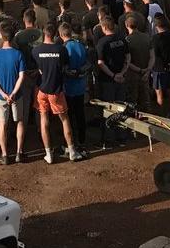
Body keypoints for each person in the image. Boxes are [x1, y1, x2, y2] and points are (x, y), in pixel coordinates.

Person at [32, 23, 85, 163]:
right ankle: (72, 151)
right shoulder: (61, 50)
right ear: (56, 34)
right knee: (65, 119)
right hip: (56, 90)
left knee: (44, 119)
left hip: (42, 90)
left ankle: (48, 153)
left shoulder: (36, 51)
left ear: (44, 33)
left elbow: (38, 68)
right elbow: (65, 68)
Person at [0, 22, 28, 165]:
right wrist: (13, 93)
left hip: (1, 96)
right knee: (19, 121)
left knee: (2, 124)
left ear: (1, 35)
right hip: (17, 95)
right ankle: (19, 152)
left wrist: (3, 94)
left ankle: (5, 155)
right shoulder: (18, 54)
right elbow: (22, 76)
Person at [93, 16, 130, 147]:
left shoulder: (102, 43)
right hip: (121, 79)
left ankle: (108, 139)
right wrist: (122, 73)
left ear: (104, 27)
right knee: (121, 108)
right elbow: (128, 58)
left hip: (108, 81)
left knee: (108, 109)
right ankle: (122, 137)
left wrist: (113, 75)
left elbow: (100, 63)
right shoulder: (122, 40)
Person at [60, 23, 91, 152]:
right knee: (80, 114)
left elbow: (63, 68)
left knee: (69, 116)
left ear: (61, 35)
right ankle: (82, 140)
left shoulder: (64, 48)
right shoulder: (80, 45)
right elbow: (88, 63)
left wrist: (71, 73)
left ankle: (71, 143)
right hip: (80, 86)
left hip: (68, 87)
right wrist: (80, 72)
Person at [150, 14, 170, 116]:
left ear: (155, 25)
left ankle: (162, 115)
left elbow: (154, 55)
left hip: (159, 69)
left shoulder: (155, 39)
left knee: (159, 93)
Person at [123, 14, 152, 112]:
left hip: (133, 75)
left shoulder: (127, 40)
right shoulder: (147, 37)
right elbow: (152, 56)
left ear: (126, 25)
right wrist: (147, 70)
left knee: (132, 101)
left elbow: (127, 61)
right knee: (145, 99)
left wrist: (139, 70)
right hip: (146, 74)